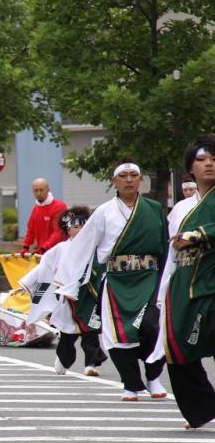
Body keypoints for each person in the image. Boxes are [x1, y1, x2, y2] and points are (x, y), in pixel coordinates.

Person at [55, 159, 168, 402]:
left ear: (140, 179)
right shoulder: (104, 212)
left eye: (134, 174)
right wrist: (70, 283)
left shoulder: (154, 209)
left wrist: (167, 279)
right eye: (123, 175)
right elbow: (82, 248)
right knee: (118, 336)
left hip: (149, 279)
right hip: (117, 281)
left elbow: (165, 247)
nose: (129, 179)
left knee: (152, 327)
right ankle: (130, 383)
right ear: (114, 181)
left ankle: (153, 376)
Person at [149, 136, 215, 429]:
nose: (209, 163)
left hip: (212, 284)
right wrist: (163, 294)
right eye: (202, 159)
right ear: (190, 168)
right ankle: (202, 408)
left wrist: (199, 235)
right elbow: (173, 255)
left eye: (213, 158)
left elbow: (195, 237)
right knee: (177, 349)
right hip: (185, 285)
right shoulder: (181, 210)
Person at [19, 206, 107, 376]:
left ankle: (91, 364)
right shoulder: (60, 249)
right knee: (68, 335)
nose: (80, 230)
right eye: (75, 227)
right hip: (68, 300)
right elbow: (44, 268)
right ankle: (63, 359)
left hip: (89, 296)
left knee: (91, 331)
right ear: (67, 230)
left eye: (83, 226)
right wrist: (25, 284)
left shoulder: (96, 247)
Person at [21, 178, 67, 255]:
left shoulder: (59, 206)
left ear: (48, 190)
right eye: (36, 190)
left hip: (58, 252)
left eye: (41, 190)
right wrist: (26, 247)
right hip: (43, 252)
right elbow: (31, 230)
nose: (39, 193)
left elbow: (58, 232)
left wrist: (44, 248)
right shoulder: (36, 208)